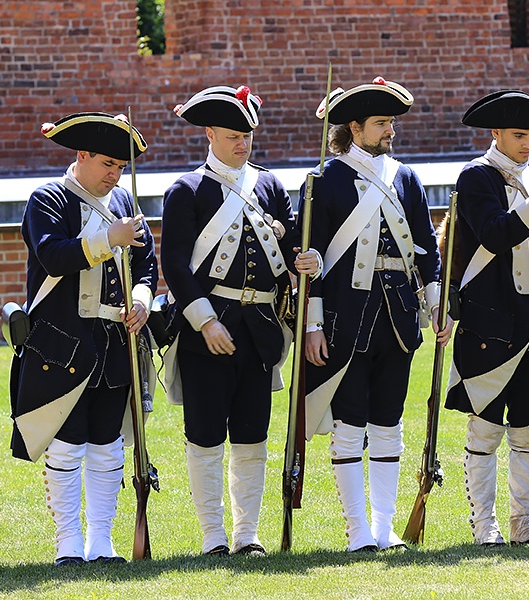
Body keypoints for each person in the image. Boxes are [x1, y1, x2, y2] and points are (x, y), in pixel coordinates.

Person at [161, 85, 320, 556]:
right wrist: (206, 322)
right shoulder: (186, 190)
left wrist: (306, 259)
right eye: (232, 135)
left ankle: (247, 535)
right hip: (206, 330)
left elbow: (292, 247)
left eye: (247, 135)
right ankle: (213, 536)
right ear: (209, 134)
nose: (242, 144)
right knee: (205, 436)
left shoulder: (268, 186)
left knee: (252, 436)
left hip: (260, 332)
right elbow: (175, 266)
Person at [301, 77, 452, 552]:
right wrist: (313, 324)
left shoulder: (404, 177)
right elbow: (311, 261)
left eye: (391, 122)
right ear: (354, 126)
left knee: (388, 422)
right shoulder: (324, 181)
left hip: (399, 319)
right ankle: (356, 531)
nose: (390, 131)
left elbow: (426, 250)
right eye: (382, 123)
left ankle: (383, 528)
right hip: (347, 318)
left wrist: (435, 304)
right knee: (349, 424)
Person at [9, 112, 157, 565]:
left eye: (119, 166)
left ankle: (101, 542)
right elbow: (53, 256)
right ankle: (68, 543)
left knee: (107, 443)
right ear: (82, 156)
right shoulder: (48, 198)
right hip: (64, 342)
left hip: (115, 341)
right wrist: (109, 237)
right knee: (67, 442)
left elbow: (146, 263)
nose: (114, 174)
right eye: (107, 164)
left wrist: (142, 298)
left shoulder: (124, 202)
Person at [443, 90, 529, 546]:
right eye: (519, 135)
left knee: (528, 426)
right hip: (490, 318)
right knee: (484, 426)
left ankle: (524, 523)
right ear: (496, 133)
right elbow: (496, 235)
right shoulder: (476, 177)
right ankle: (485, 525)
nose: (528, 143)